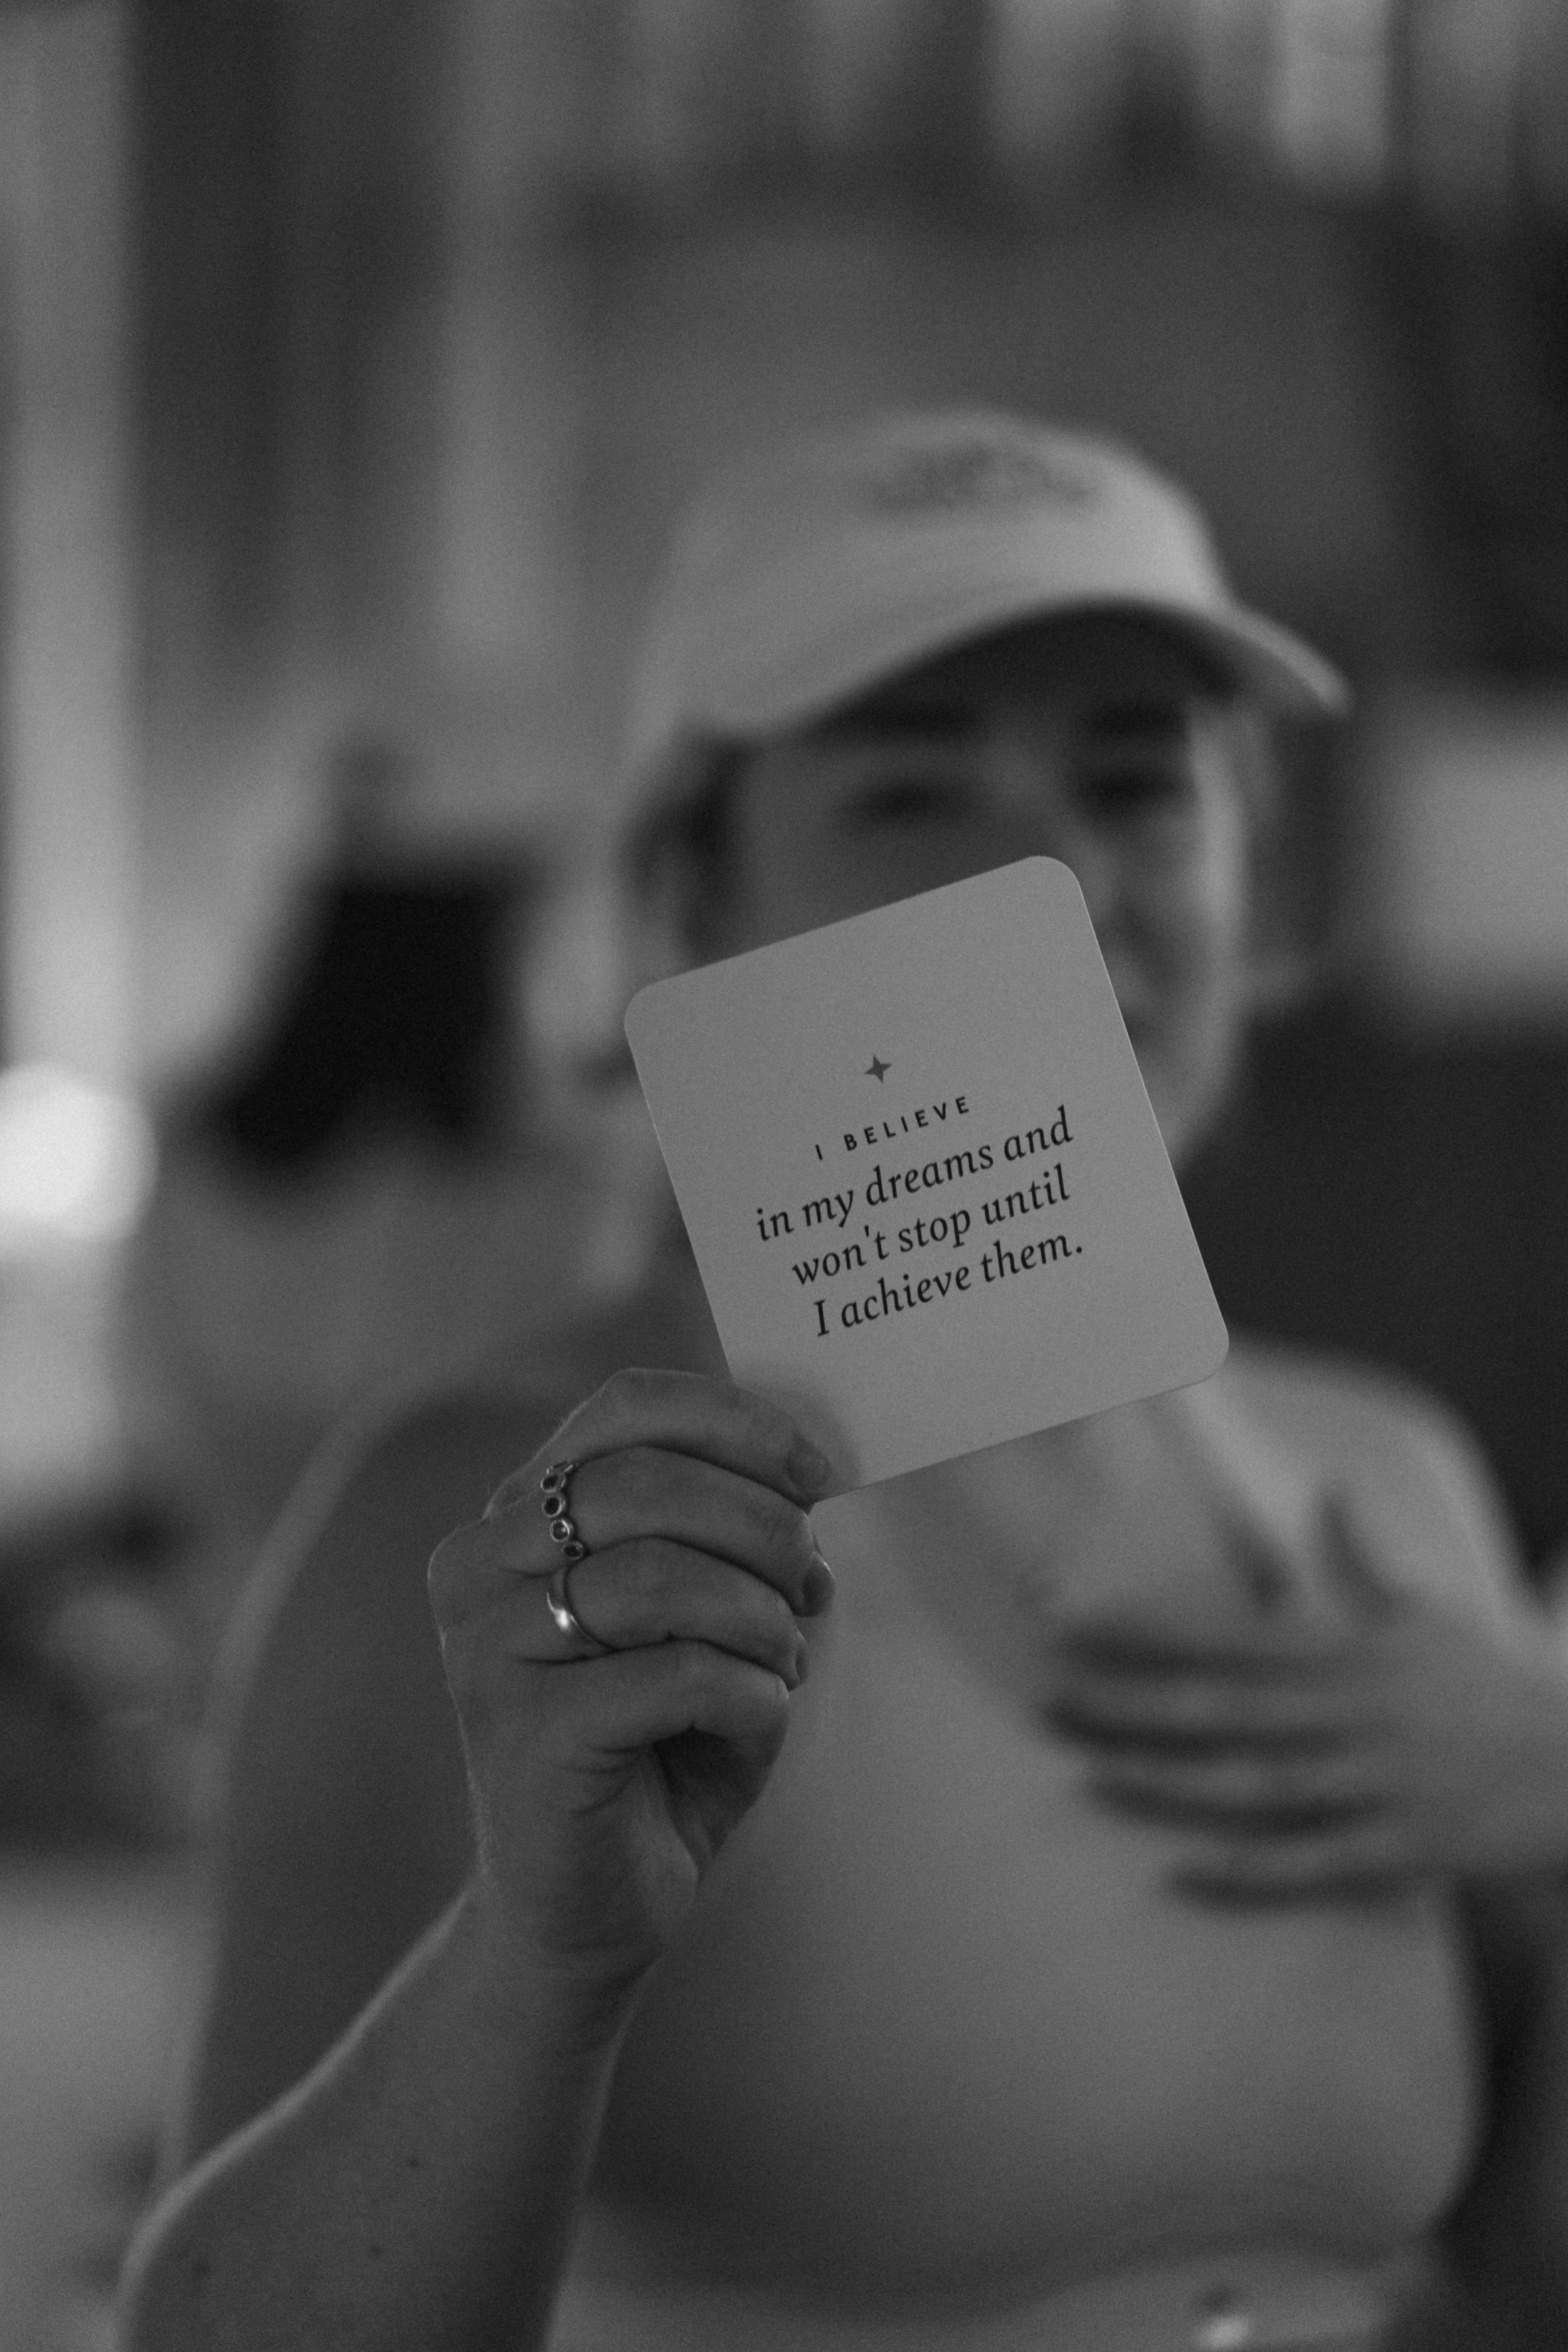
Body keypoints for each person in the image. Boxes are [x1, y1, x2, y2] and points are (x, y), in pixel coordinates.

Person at [121, 412, 1568, 2351]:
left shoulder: (1380, 1478)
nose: (1055, 877)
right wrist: (533, 1955)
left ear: (1256, 890)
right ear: (689, 905)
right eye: (909, 789)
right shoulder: (492, 1538)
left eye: (1140, 785)